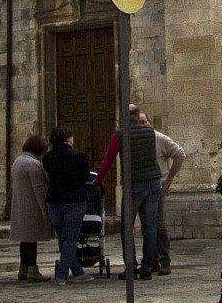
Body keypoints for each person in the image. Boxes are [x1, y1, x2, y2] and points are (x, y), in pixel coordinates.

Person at [97, 103, 184, 277]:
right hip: (153, 182)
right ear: (138, 116)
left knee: (126, 226)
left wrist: (98, 180)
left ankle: (131, 266)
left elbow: (107, 161)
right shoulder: (150, 133)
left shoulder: (120, 135)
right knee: (150, 226)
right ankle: (147, 268)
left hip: (134, 183)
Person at [43, 125, 91, 283]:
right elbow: (85, 176)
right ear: (69, 138)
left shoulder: (48, 158)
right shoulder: (78, 156)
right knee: (70, 239)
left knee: (63, 238)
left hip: (54, 202)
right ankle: (61, 275)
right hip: (74, 202)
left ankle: (77, 271)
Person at [8, 134, 49, 281]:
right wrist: (43, 208)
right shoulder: (33, 164)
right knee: (32, 239)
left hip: (20, 206)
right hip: (31, 207)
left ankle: (23, 268)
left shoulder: (17, 161)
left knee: (24, 240)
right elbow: (38, 188)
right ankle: (32, 270)